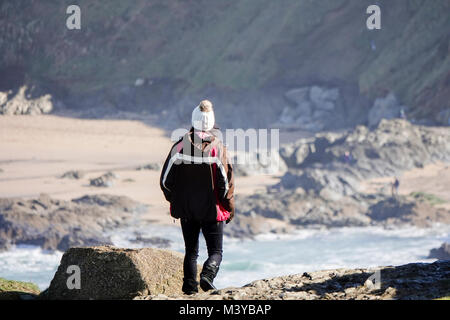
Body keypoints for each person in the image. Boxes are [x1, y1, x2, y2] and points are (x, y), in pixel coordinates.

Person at [160, 100, 235, 295]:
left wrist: (176, 200)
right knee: (216, 253)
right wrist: (229, 208)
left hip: (187, 210)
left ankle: (189, 289)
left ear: (193, 120)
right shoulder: (217, 148)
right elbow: (226, 185)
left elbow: (165, 181)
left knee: (191, 252)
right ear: (212, 123)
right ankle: (207, 276)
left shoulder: (179, 147)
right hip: (212, 210)